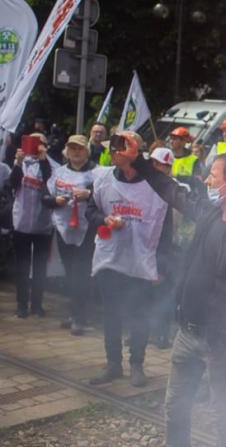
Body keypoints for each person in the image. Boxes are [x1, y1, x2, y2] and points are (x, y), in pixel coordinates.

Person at [138, 152, 226, 447]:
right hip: (188, 333)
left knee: (224, 416)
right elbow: (171, 191)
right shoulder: (209, 213)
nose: (206, 180)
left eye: (214, 175)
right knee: (175, 408)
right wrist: (139, 162)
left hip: (223, 344)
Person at [87, 131, 168, 387]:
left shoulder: (156, 186)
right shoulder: (102, 179)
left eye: (122, 148)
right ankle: (113, 364)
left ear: (136, 152)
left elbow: (166, 229)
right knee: (111, 314)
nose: (115, 153)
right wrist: (104, 219)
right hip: (110, 258)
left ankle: (137, 364)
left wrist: (162, 266)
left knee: (139, 314)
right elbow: (91, 210)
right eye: (114, 149)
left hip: (141, 260)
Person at [44, 135, 96, 335]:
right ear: (66, 151)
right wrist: (54, 200)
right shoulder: (59, 173)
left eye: (80, 148)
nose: (76, 152)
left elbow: (106, 198)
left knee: (80, 273)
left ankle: (80, 317)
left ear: (86, 151)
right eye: (72, 148)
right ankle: (74, 313)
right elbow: (44, 197)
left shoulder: (97, 173)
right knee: (70, 272)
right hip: (64, 228)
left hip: (86, 230)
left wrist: (89, 195)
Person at [10, 133, 54, 318]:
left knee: (39, 267)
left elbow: (50, 181)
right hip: (21, 223)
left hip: (42, 224)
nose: (36, 146)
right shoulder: (22, 162)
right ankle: (22, 304)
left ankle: (37, 304)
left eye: (40, 143)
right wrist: (18, 162)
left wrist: (43, 158)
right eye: (32, 142)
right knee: (22, 266)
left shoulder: (51, 165)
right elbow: (13, 183)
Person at [149, 147, 185, 350]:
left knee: (164, 293)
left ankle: (162, 333)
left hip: (166, 248)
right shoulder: (143, 184)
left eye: (159, 164)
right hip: (147, 247)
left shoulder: (175, 189)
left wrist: (162, 263)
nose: (155, 167)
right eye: (153, 163)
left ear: (168, 167)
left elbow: (173, 226)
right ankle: (145, 331)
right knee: (145, 294)